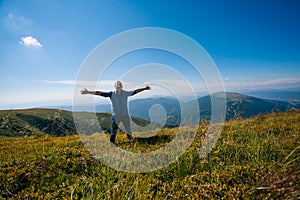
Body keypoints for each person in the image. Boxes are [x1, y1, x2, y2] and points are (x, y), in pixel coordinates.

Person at [80, 81, 151, 145]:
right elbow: (100, 93)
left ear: (121, 86)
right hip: (116, 116)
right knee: (114, 130)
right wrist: (88, 92)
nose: (118, 84)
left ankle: (130, 140)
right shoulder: (111, 94)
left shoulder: (126, 93)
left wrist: (144, 88)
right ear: (115, 86)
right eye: (117, 84)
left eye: (119, 83)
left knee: (128, 129)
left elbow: (135, 91)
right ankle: (112, 143)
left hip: (125, 115)